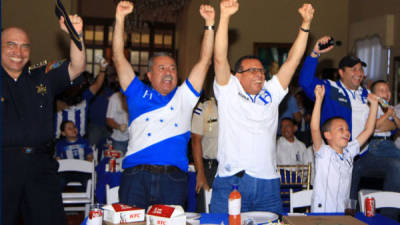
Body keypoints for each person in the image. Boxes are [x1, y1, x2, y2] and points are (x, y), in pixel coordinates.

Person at [210, 0, 314, 214]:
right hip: (234, 180)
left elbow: (292, 62)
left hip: (269, 184)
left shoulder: (271, 91)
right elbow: (220, 59)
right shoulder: (229, 90)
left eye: (261, 70)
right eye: (252, 71)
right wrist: (225, 17)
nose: (259, 74)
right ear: (237, 75)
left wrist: (305, 25)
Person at [113, 1, 215, 209]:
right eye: (162, 68)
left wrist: (210, 25)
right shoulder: (137, 93)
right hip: (136, 176)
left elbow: (205, 60)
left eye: (172, 68)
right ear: (149, 75)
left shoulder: (184, 96)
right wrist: (120, 19)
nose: (169, 72)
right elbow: (118, 58)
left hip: (173, 179)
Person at [299, 37, 400, 219]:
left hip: (365, 153)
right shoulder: (330, 88)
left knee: (396, 167)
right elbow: (305, 82)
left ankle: (387, 219)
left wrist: (386, 123)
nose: (359, 73)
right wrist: (314, 54)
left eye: (361, 69)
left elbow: (389, 123)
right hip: (339, 155)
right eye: (353, 69)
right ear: (341, 72)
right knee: (346, 202)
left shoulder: (367, 94)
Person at [1, 15, 86, 225]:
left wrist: (77, 35)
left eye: (24, 46)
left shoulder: (41, 77)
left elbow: (77, 67)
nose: (18, 52)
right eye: (11, 45)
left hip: (40, 166)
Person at [310, 85, 378, 212]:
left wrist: (374, 105)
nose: (346, 133)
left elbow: (368, 130)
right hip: (323, 213)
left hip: (342, 212)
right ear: (327, 135)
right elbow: (314, 128)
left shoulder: (349, 151)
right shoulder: (323, 152)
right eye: (341, 129)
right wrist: (319, 100)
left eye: (347, 130)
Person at [54, 59, 107, 139]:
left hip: (80, 140)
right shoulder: (57, 95)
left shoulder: (84, 96)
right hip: (61, 141)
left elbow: (97, 85)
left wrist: (102, 70)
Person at [191, 95, 219, 212]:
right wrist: (200, 174)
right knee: (206, 212)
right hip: (210, 168)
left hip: (233, 169)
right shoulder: (204, 108)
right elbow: (195, 140)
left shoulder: (239, 105)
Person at [56, 120, 93, 192]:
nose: (73, 129)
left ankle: (86, 200)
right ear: (63, 133)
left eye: (74, 127)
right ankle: (57, 200)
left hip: (82, 171)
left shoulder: (84, 141)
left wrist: (87, 164)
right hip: (67, 172)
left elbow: (90, 157)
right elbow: (58, 159)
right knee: (59, 181)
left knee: (87, 182)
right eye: (69, 128)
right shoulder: (60, 144)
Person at [368, 80, 400, 158]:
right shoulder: (372, 108)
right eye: (382, 90)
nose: (386, 93)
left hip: (389, 141)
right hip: (376, 142)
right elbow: (374, 126)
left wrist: (395, 117)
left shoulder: (391, 108)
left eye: (388, 90)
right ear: (373, 95)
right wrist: (387, 115)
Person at [106, 90, 129, 154]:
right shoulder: (115, 98)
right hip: (120, 139)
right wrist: (119, 127)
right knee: (119, 162)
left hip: (134, 139)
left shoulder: (137, 95)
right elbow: (109, 119)